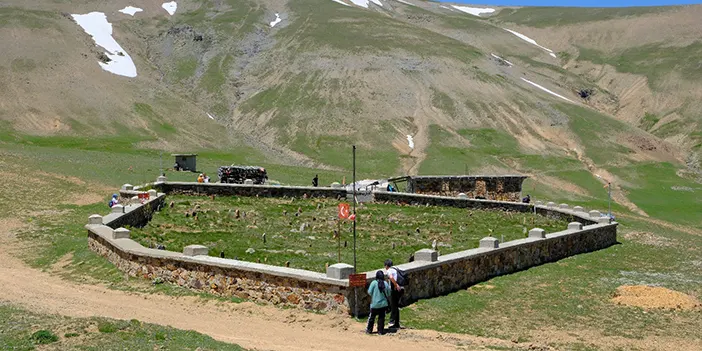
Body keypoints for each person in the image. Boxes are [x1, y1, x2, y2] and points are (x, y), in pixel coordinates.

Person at [366, 270, 391, 335]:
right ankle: (380, 331)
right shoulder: (385, 283)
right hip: (383, 304)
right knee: (381, 318)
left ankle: (369, 330)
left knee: (372, 317)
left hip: (374, 304)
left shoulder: (374, 283)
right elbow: (388, 293)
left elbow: (369, 292)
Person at [384, 259, 403, 329]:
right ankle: (397, 323)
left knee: (393, 306)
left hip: (394, 290)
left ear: (386, 265)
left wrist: (395, 285)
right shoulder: (395, 268)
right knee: (396, 306)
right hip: (400, 289)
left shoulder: (389, 270)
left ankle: (391, 322)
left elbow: (391, 277)